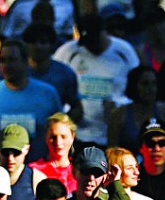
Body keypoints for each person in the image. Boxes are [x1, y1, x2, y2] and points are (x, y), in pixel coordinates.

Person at [0, 40, 62, 166]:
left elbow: (58, 134)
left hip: (37, 171)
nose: (6, 65)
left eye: (12, 60)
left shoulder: (48, 94)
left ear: (25, 62)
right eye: (3, 60)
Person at [54, 14, 139, 148]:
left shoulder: (124, 51)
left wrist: (118, 105)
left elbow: (138, 88)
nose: (90, 46)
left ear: (102, 32)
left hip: (114, 132)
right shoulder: (67, 52)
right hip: (78, 134)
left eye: (93, 40)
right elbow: (55, 87)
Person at [28, 112, 78, 194]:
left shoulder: (79, 169)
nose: (58, 142)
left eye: (63, 137)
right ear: (46, 138)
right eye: (53, 137)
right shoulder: (33, 170)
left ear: (72, 137)